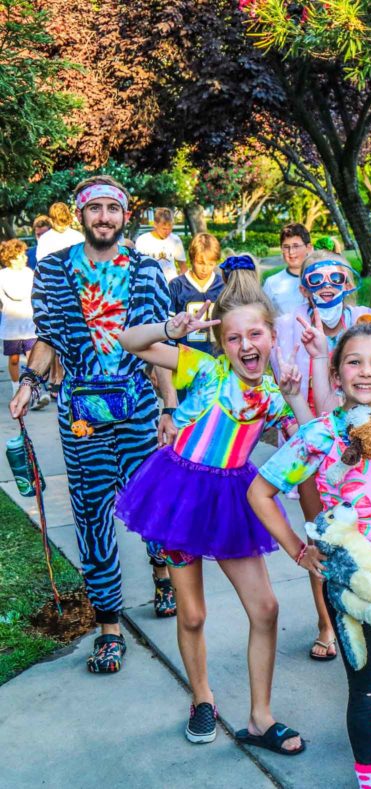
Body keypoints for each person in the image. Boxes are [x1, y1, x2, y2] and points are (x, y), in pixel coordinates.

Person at [116, 256, 308, 752]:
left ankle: (261, 718)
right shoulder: (202, 365)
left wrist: (301, 393)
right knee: (194, 614)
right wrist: (170, 327)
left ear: (272, 335)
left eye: (255, 336)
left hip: (232, 502)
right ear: (222, 344)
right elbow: (129, 342)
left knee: (265, 608)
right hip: (178, 498)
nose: (247, 346)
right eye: (234, 338)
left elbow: (310, 441)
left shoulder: (273, 391)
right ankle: (202, 699)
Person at [249, 323, 371, 788]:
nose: (365, 371)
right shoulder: (318, 436)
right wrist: (300, 551)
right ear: (336, 375)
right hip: (346, 579)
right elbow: (260, 492)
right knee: (366, 687)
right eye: (354, 362)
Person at [9, 175, 180, 673]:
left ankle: (162, 573)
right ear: (81, 215)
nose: (104, 216)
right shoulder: (56, 270)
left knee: (149, 503)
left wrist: (168, 409)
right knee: (91, 514)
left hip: (138, 412)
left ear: (126, 215)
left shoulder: (148, 271)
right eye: (95, 208)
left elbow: (157, 352)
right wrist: (29, 385)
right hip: (81, 416)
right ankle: (109, 624)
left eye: (113, 208)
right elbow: (48, 339)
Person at [271, 249, 371, 661]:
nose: (327, 285)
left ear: (349, 282)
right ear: (302, 286)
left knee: (366, 530)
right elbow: (281, 383)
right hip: (310, 440)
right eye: (316, 278)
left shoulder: (364, 318)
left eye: (336, 277)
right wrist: (295, 423)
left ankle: (363, 608)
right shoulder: (285, 325)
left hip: (360, 442)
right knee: (321, 534)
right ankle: (327, 622)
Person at [0, 240, 48, 408]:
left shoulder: (29, 273)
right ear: (10, 258)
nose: (24, 258)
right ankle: (15, 389)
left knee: (32, 359)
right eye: (19, 256)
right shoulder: (2, 275)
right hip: (11, 327)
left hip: (29, 324)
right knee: (13, 360)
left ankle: (36, 393)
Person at [168, 233, 224, 353]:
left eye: (211, 264)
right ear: (192, 259)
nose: (205, 269)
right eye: (200, 263)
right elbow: (169, 327)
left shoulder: (223, 285)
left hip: (218, 356)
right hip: (185, 355)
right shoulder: (177, 286)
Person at [263, 223, 313, 316]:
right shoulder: (271, 283)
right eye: (286, 247)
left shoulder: (319, 278)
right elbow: (265, 317)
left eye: (296, 246)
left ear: (308, 248)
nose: (291, 252)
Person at [135, 208, 186, 281]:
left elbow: (183, 266)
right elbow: (138, 266)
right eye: (164, 228)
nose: (167, 232)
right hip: (150, 283)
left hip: (171, 285)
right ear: (155, 224)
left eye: (170, 228)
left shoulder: (175, 240)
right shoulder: (142, 240)